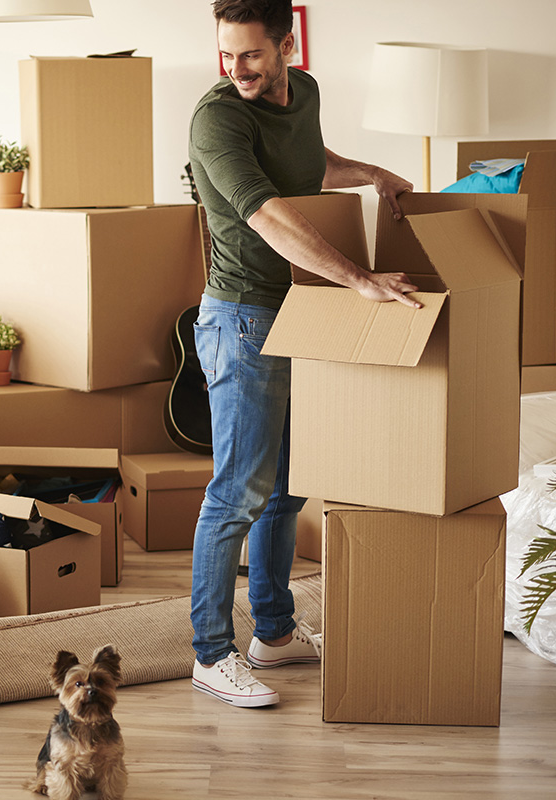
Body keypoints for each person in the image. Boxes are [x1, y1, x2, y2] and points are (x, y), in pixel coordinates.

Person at [187, 0, 422, 708]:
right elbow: (268, 210)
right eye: (227, 55)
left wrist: (370, 173)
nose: (237, 70)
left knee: (287, 490)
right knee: (237, 493)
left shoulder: (307, 92)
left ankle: (275, 633)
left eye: (251, 54)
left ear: (287, 47)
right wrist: (359, 278)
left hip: (298, 311)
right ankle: (210, 652)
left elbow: (307, 164)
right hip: (243, 320)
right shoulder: (217, 116)